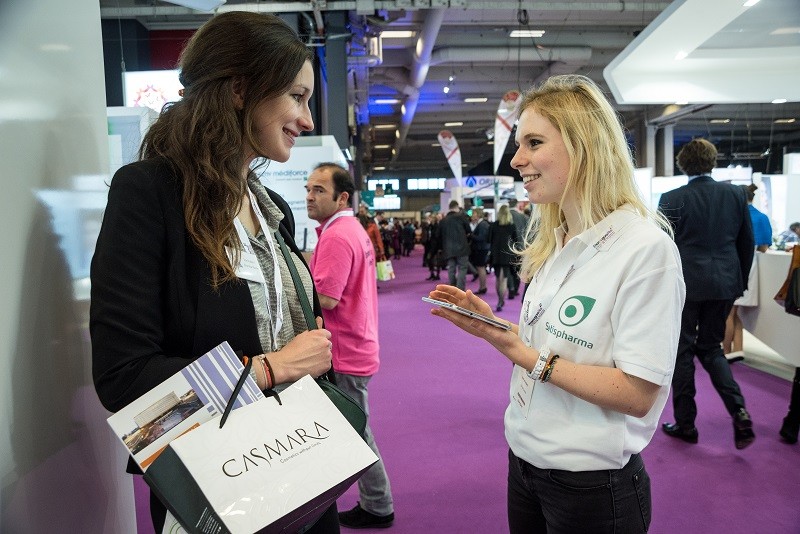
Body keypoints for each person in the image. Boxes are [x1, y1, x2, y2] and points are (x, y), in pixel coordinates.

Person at [89, 13, 339, 533]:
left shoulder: (271, 208)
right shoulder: (149, 193)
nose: (308, 120)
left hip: (302, 469)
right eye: (297, 97)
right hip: (218, 485)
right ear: (241, 89)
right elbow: (124, 379)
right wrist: (271, 369)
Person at [427, 74, 685, 533]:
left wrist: (524, 354)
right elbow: (560, 344)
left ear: (582, 145)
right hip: (525, 463)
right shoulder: (555, 241)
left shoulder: (645, 249)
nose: (517, 158)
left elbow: (638, 394)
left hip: (592, 485)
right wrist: (501, 331)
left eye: (533, 142)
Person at [305, 163, 395, 529]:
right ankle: (375, 502)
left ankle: (378, 504)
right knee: (353, 429)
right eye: (309, 188)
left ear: (342, 197)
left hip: (344, 350)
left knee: (355, 432)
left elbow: (325, 297)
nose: (310, 196)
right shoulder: (348, 229)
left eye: (319, 190)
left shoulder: (338, 235)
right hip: (353, 345)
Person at [658, 138, 756, 450]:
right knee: (712, 348)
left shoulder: (672, 197)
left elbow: (662, 247)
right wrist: (739, 281)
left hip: (686, 283)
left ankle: (686, 424)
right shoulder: (736, 194)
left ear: (683, 164)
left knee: (682, 351)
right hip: (725, 282)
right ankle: (738, 410)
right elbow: (746, 241)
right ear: (712, 162)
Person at [723, 183, 772, 362]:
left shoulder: (734, 217)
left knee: (729, 312)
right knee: (735, 313)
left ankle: (726, 351)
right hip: (752, 267)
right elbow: (765, 247)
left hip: (736, 267)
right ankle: (738, 349)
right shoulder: (762, 217)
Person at [435, 199, 472, 290]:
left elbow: (437, 235)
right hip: (462, 248)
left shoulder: (443, 221)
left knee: (451, 269)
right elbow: (469, 231)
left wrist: (441, 247)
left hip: (448, 249)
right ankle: (460, 289)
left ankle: (453, 287)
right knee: (462, 268)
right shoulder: (462, 217)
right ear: (457, 207)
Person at [487, 204, 518, 312]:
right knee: (504, 279)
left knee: (497, 278)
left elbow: (489, 240)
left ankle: (500, 300)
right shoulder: (511, 226)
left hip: (495, 254)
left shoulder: (494, 225)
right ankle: (500, 301)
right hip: (506, 255)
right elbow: (516, 241)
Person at [507, 198, 529, 298]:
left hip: (507, 247)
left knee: (508, 269)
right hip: (521, 247)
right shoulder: (522, 216)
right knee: (517, 269)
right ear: (516, 204)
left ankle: (511, 288)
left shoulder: (505, 216)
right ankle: (515, 289)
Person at [469, 207, 490, 295]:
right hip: (482, 248)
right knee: (481, 268)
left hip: (481, 249)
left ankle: (483, 287)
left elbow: (481, 238)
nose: (472, 216)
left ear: (477, 214)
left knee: (481, 268)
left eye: (473, 214)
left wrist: (471, 235)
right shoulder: (482, 224)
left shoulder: (482, 224)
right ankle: (482, 286)